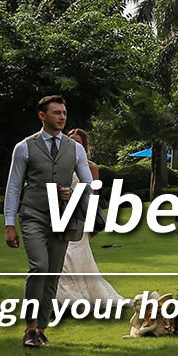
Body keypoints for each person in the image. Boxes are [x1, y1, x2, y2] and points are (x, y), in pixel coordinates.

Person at [3, 95, 96, 348]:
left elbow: (89, 184)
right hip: (33, 213)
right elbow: (14, 187)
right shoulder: (24, 147)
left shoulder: (75, 148)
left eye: (64, 113)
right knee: (39, 267)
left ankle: (41, 330)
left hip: (62, 216)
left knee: (53, 273)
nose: (62, 117)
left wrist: (73, 193)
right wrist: (9, 224)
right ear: (42, 116)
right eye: (56, 113)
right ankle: (29, 328)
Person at [55, 129, 123, 308]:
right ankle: (64, 298)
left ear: (84, 146)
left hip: (80, 216)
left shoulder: (91, 168)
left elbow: (93, 195)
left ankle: (75, 299)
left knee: (75, 255)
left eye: (78, 142)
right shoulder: (59, 164)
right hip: (60, 215)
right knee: (61, 256)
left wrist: (93, 221)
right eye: (70, 141)